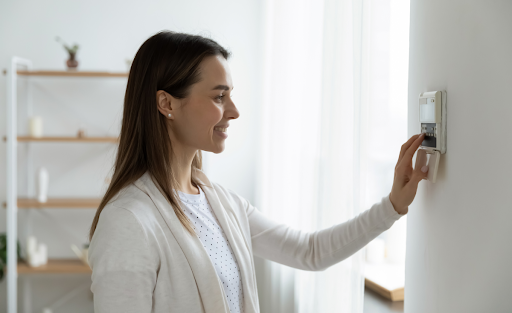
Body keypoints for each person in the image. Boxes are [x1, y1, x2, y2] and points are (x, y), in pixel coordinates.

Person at [87, 30, 428, 313]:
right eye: (219, 97)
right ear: (167, 104)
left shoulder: (221, 204)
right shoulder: (129, 221)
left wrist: (393, 205)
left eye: (230, 96)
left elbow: (310, 251)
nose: (233, 111)